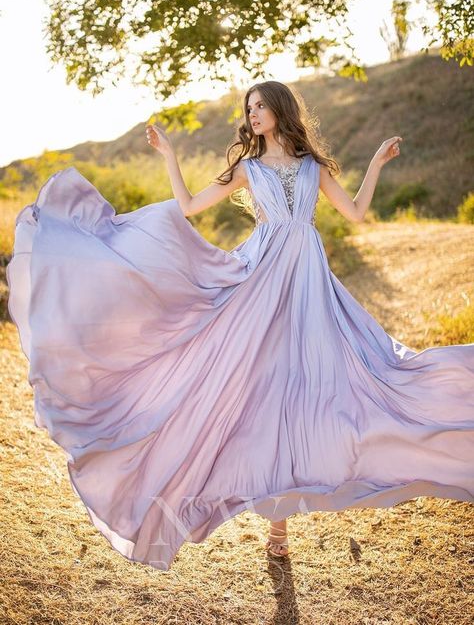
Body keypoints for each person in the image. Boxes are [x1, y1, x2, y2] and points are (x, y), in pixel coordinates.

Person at [6, 81, 474, 571]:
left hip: (308, 285)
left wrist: (376, 165)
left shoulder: (313, 167)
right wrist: (168, 155)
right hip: (259, 281)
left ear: (280, 109)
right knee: (257, 391)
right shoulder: (248, 169)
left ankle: (287, 517)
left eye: (259, 105)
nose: (252, 113)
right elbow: (188, 207)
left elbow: (355, 214)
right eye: (247, 107)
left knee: (324, 385)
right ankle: (275, 529)